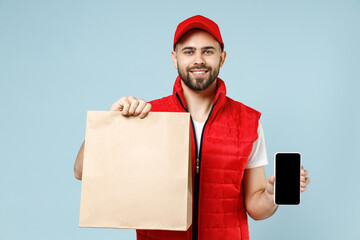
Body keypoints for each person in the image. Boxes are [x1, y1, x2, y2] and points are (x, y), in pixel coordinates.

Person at [74, 15, 311, 240]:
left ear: (222, 57)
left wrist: (271, 195)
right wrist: (110, 124)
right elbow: (81, 171)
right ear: (175, 58)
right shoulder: (146, 115)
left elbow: (256, 208)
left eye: (208, 51)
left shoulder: (248, 121)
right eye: (189, 51)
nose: (198, 60)